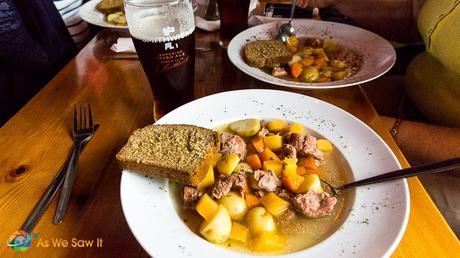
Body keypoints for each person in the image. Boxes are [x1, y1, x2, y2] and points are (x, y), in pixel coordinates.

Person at [296, 0, 460, 236]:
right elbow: (413, 16)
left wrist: (384, 129)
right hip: (411, 95)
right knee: (310, 106)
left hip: (448, 168)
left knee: (363, 216)